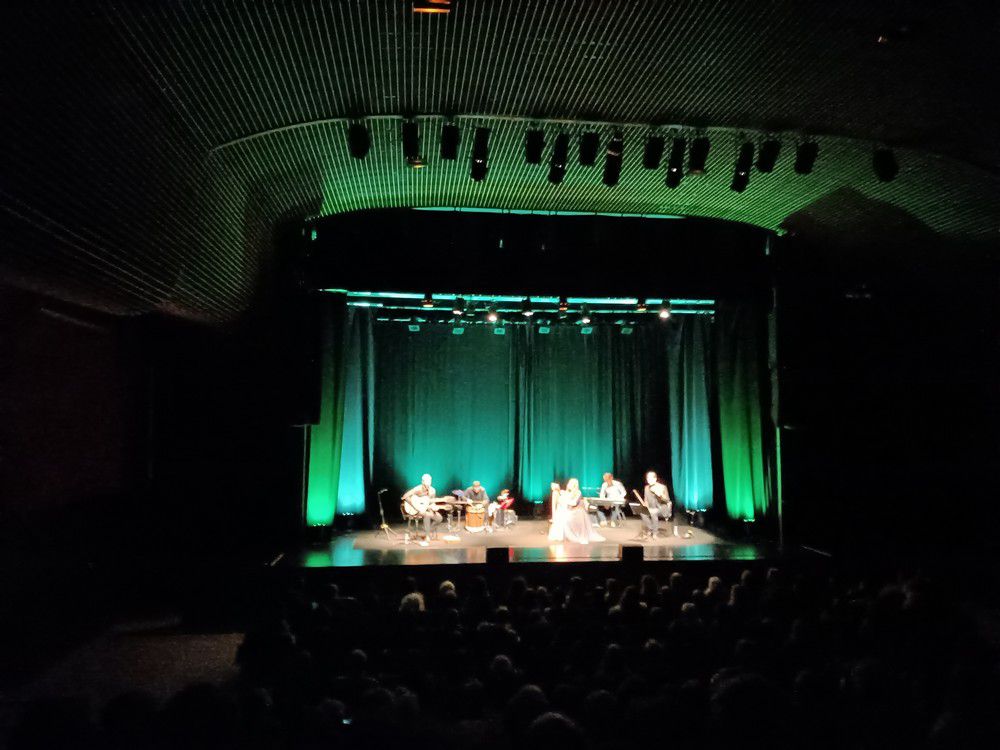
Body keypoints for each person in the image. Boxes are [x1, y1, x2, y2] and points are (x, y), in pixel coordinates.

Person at [549, 478, 605, 543]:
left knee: (579, 512)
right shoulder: (565, 492)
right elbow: (557, 490)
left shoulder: (578, 492)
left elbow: (574, 503)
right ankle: (557, 525)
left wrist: (565, 501)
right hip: (567, 510)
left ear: (574, 485)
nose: (568, 485)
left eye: (570, 484)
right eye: (568, 483)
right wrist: (557, 490)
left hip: (573, 511)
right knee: (560, 508)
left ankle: (571, 533)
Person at [402, 473, 442, 540]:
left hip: (426, 508)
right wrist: (415, 506)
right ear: (422, 481)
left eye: (430, 481)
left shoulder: (432, 490)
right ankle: (427, 536)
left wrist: (434, 507)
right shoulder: (417, 489)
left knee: (439, 518)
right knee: (427, 515)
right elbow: (405, 497)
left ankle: (428, 532)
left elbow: (431, 502)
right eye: (427, 481)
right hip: (416, 509)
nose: (429, 483)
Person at [641, 470, 672, 538]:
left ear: (655, 479)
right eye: (647, 478)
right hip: (651, 508)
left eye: (650, 478)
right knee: (643, 512)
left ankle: (655, 533)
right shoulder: (646, 488)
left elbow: (667, 500)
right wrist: (645, 505)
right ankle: (651, 528)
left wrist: (659, 494)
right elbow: (646, 499)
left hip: (662, 508)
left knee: (653, 512)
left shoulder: (662, 487)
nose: (648, 479)